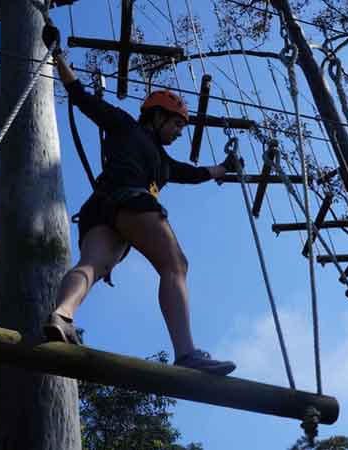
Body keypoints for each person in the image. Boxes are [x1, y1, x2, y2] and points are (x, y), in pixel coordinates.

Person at [41, 25, 241, 376]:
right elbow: (81, 97)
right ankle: (186, 352)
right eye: (176, 125)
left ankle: (61, 314)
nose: (179, 133)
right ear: (158, 116)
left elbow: (191, 173)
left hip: (100, 209)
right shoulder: (126, 125)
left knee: (92, 265)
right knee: (175, 265)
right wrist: (59, 57)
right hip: (132, 203)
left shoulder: (161, 160)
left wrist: (221, 168)